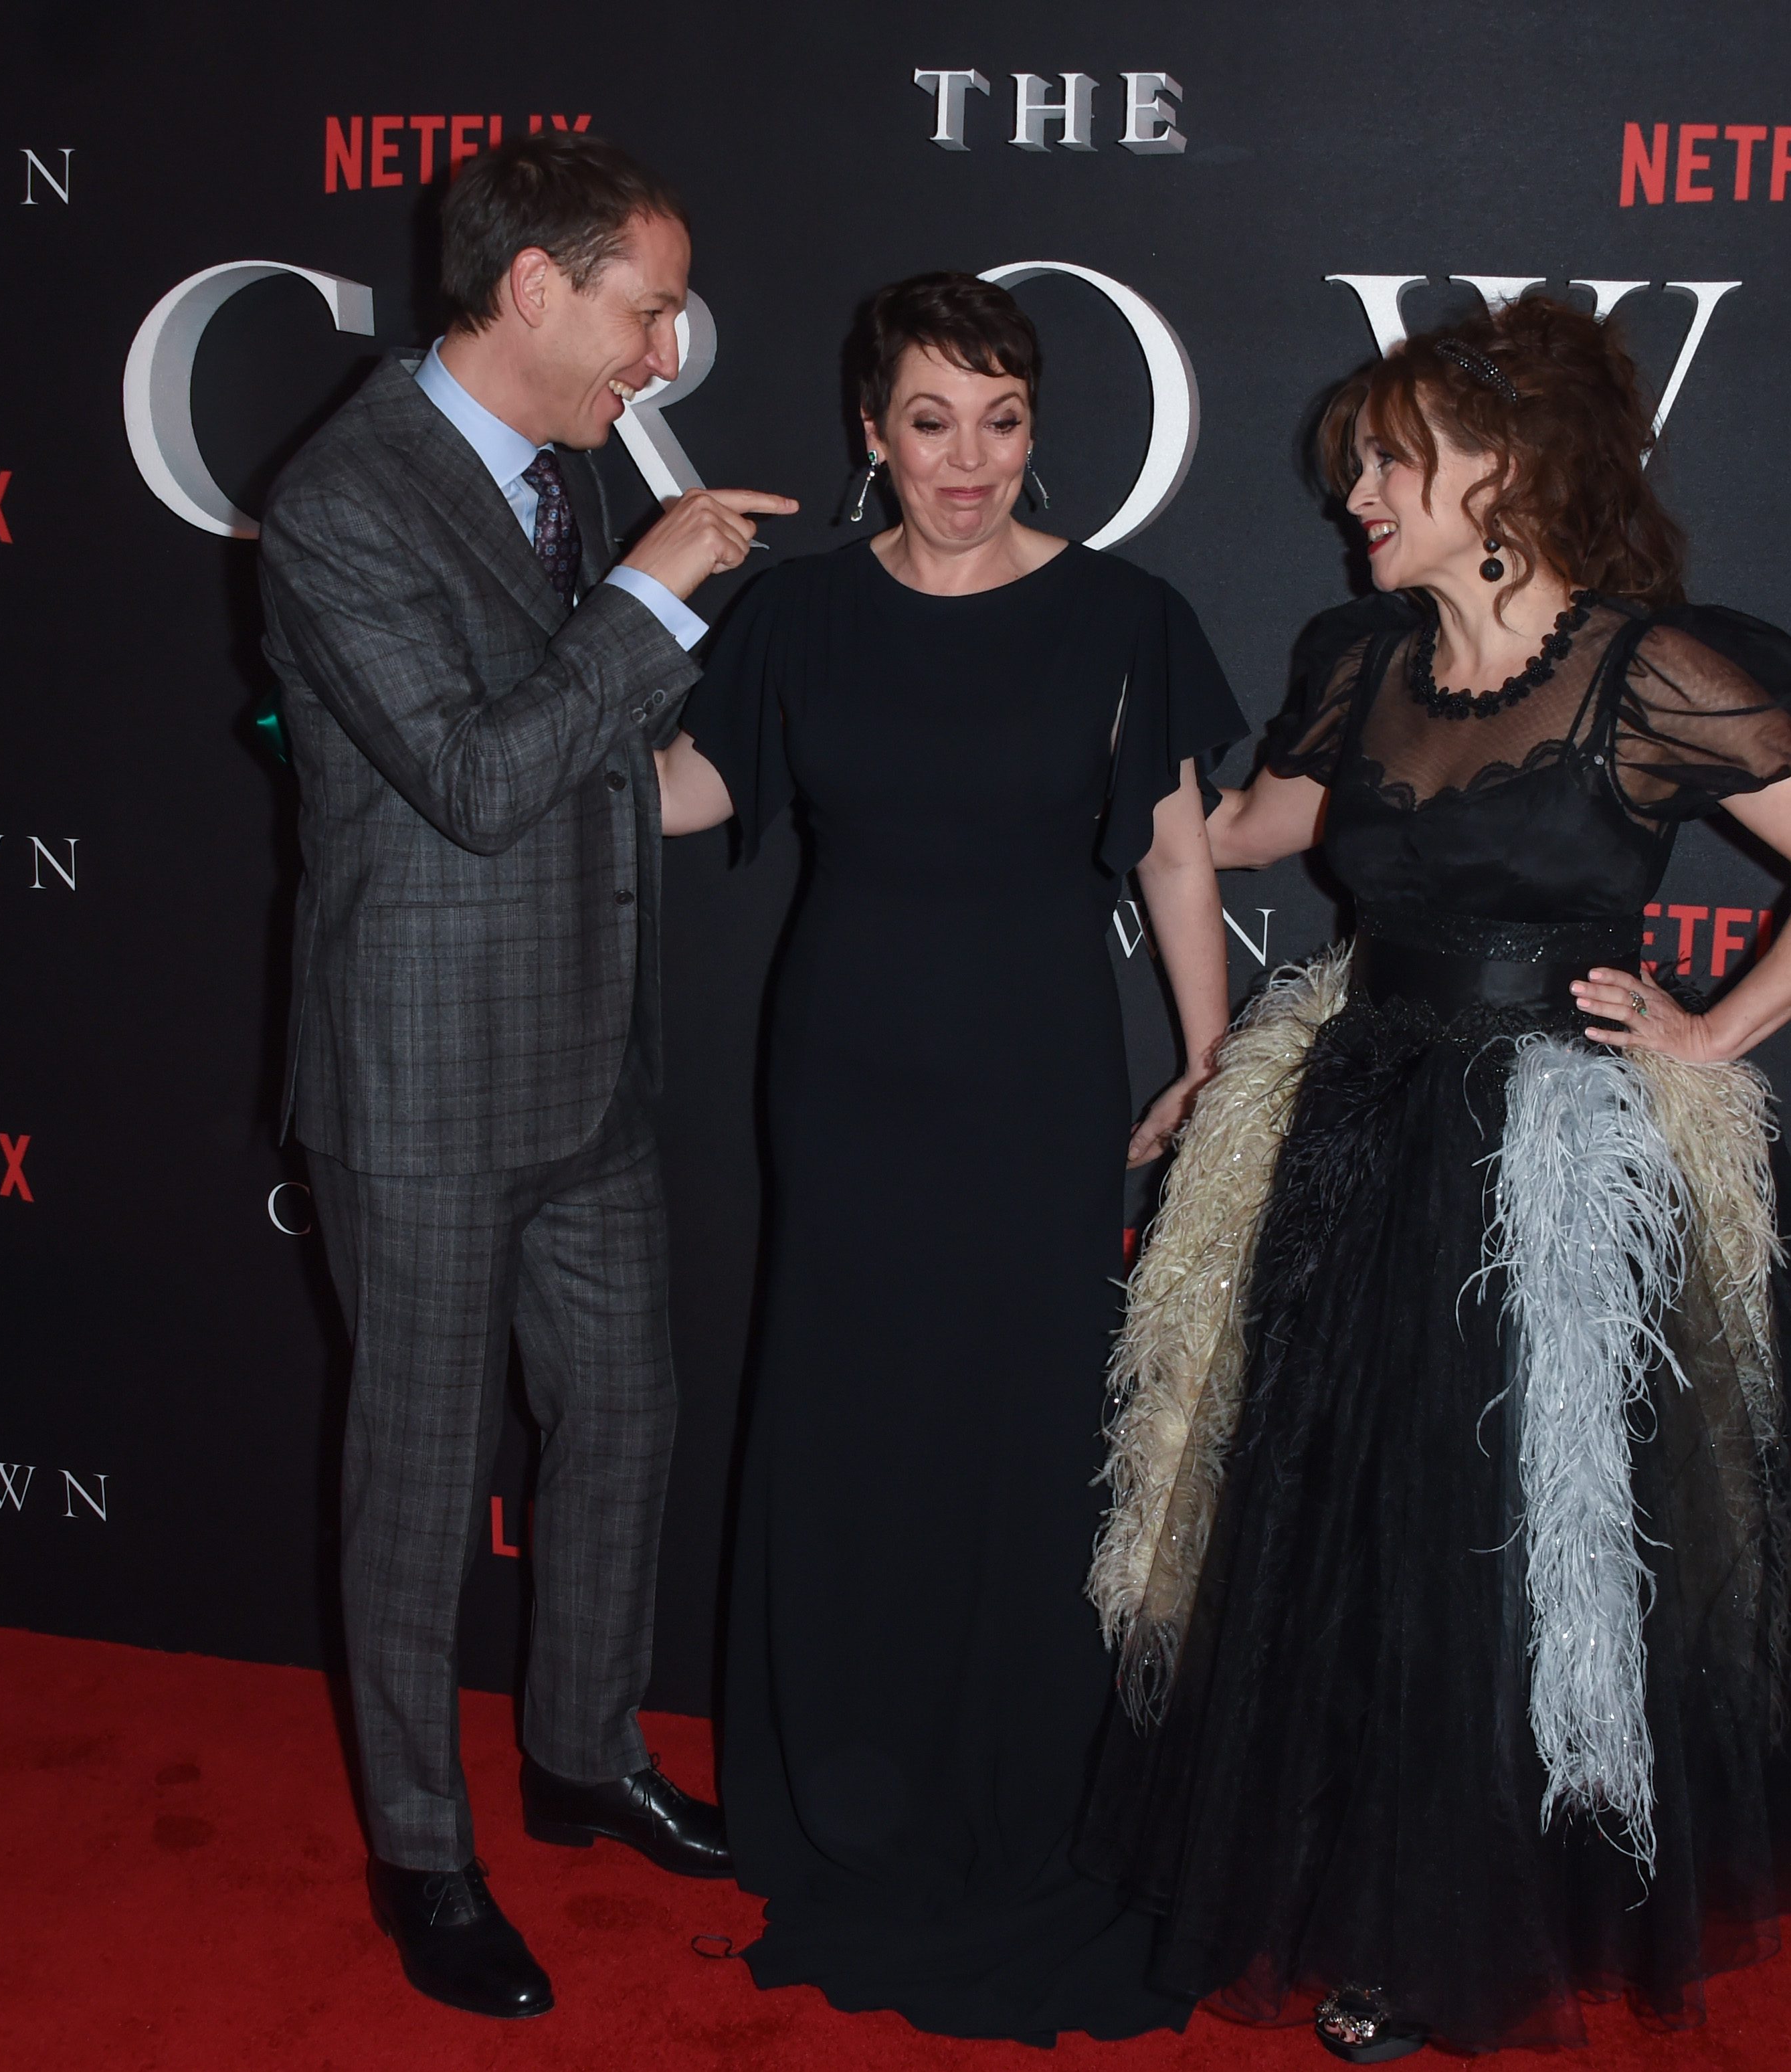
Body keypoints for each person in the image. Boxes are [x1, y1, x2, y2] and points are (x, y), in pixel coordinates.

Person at [1082, 296, 1791, 2059]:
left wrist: (1715, 1027)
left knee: (1507, 1547)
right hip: (1358, 1131)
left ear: (1503, 471)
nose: (1359, 497)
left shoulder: (1653, 667)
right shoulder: (1360, 658)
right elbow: (1255, 826)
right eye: (1362, 468)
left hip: (1546, 1172)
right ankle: (1347, 1881)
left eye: (1392, 463)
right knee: (1341, 1526)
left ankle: (1460, 1921)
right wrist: (1103, 751)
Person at [656, 272, 1241, 2044]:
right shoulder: (801, 617)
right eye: (930, 421)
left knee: (1022, 1410)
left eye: (998, 421)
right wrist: (504, 720)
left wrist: (1209, 1059)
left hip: (1037, 1075)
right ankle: (849, 1767)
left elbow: (1175, 857)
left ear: (1034, 426)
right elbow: (677, 791)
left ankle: (1018, 1768)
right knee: (852, 1406)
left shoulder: (1125, 615)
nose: (966, 459)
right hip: (844, 1076)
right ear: (871, 431)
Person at [257, 131, 796, 2020]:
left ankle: (580, 1754)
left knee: (628, 1419)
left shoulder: (562, 479)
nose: (664, 355)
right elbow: (482, 780)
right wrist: (652, 602)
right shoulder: (339, 500)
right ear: (536, 288)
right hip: (419, 1080)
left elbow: (598, 774)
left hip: (587, 1057)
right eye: (647, 312)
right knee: (416, 1479)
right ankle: (426, 1850)